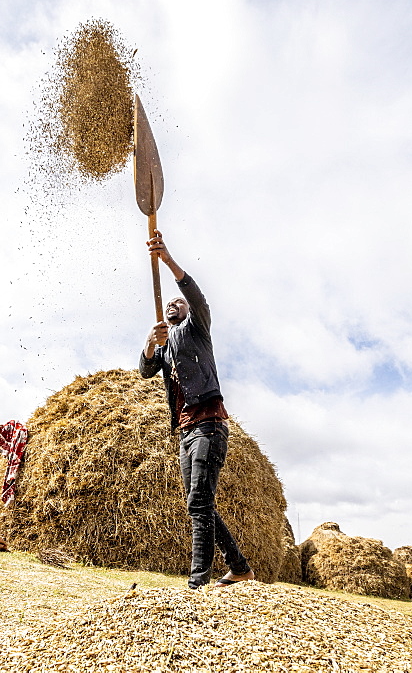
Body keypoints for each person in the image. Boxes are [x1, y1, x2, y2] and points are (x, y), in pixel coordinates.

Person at [139, 230, 255, 589]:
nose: (173, 304)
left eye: (179, 303)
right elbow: (145, 370)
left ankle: (196, 584)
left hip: (209, 423)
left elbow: (195, 294)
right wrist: (149, 343)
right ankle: (239, 568)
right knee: (198, 503)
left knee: (198, 502)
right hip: (186, 432)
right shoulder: (166, 343)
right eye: (169, 303)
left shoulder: (198, 328)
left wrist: (167, 260)